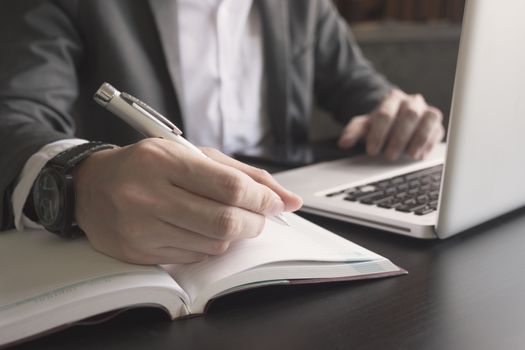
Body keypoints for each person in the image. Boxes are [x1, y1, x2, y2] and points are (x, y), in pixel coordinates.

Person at [0, 0, 444, 264]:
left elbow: (360, 88)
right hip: (149, 250)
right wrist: (82, 179)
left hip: (295, 225)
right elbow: (15, 119)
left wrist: (398, 113)